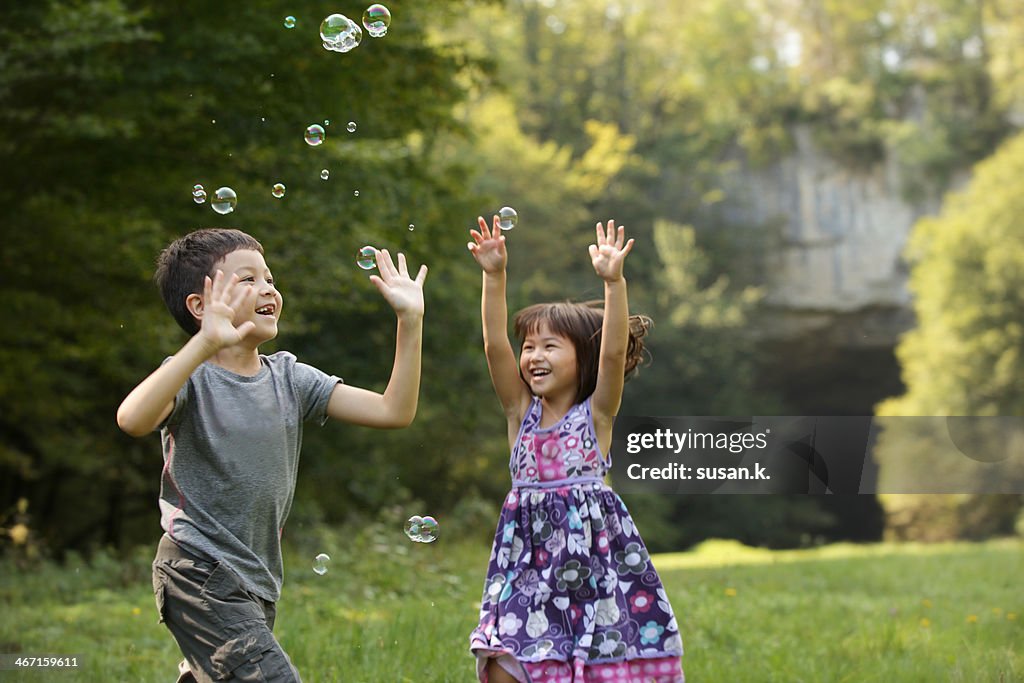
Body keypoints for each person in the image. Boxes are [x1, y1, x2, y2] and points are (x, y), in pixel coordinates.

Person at [116, 228, 427, 683]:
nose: (268, 289)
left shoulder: (290, 377)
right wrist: (203, 344)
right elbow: (132, 419)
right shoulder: (190, 377)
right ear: (199, 306)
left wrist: (410, 321)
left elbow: (394, 411)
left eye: (270, 278)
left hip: (256, 579)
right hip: (198, 569)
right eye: (247, 280)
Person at [466, 216, 684, 683]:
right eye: (529, 346)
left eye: (549, 346)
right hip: (524, 569)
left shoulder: (596, 415)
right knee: (503, 657)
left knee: (582, 667)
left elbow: (611, 352)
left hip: (588, 575)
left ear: (581, 358)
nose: (533, 356)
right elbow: (492, 345)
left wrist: (614, 282)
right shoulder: (518, 411)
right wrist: (494, 276)